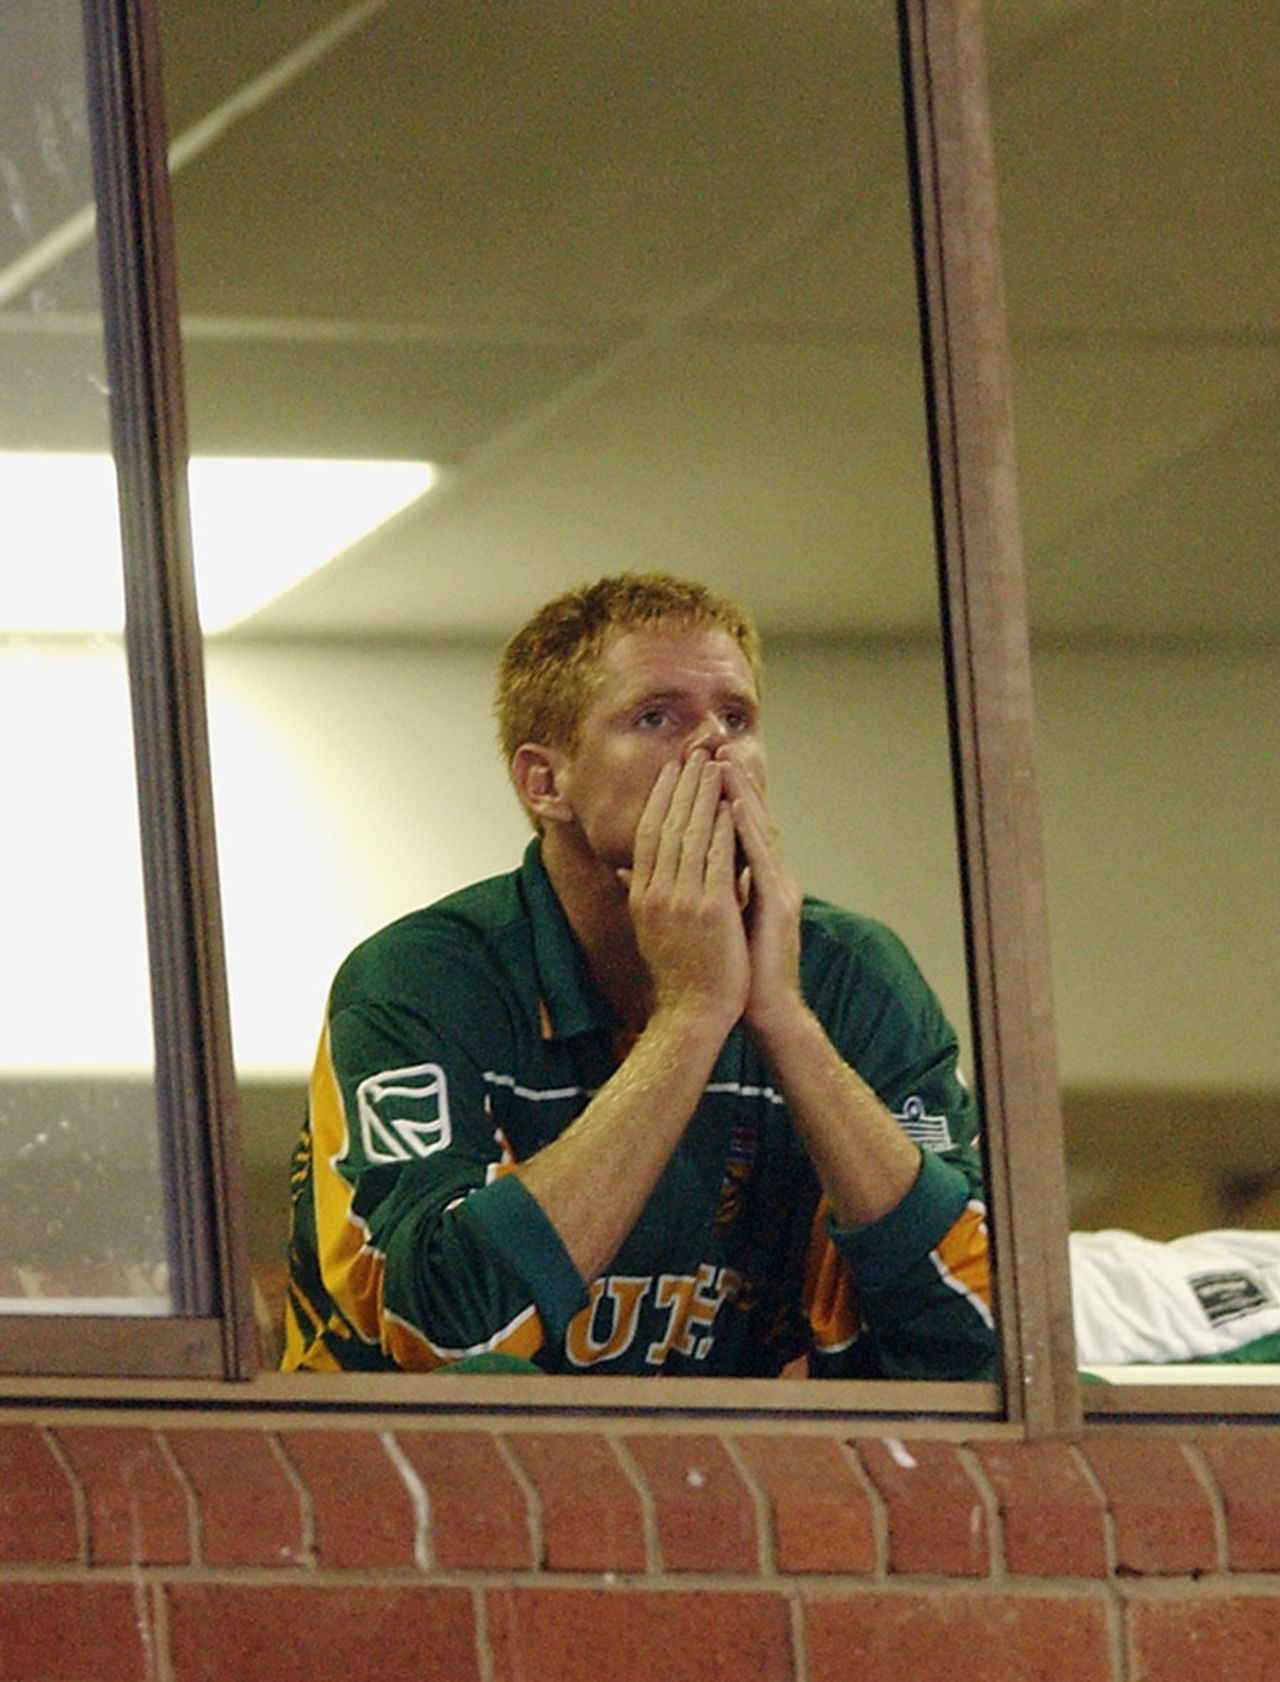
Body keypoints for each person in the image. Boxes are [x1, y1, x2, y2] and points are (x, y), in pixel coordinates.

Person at [282, 573, 994, 1378]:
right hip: (407, 1475)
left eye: (737, 717)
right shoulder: (420, 977)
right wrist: (690, 1016)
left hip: (716, 1471)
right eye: (657, 718)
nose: (713, 747)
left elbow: (984, 1332)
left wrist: (785, 1020)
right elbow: (446, 1333)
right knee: (491, 1384)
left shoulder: (852, 973)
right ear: (544, 782)